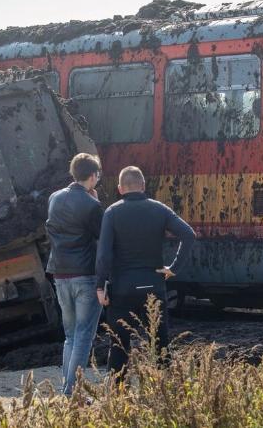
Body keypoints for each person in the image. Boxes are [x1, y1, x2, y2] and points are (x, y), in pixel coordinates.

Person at [96, 166, 195, 379]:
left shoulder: (112, 212)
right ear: (143, 186)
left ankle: (118, 395)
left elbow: (104, 255)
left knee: (119, 344)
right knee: (159, 342)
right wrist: (173, 268)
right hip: (153, 285)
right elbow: (188, 234)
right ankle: (163, 391)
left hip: (122, 287)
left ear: (121, 189)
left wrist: (100, 286)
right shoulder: (159, 209)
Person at [45, 153, 104, 395]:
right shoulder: (92, 205)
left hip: (59, 273)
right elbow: (102, 237)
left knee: (70, 335)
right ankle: (71, 391)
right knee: (83, 335)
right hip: (84, 274)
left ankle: (67, 387)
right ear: (93, 176)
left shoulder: (54, 198)